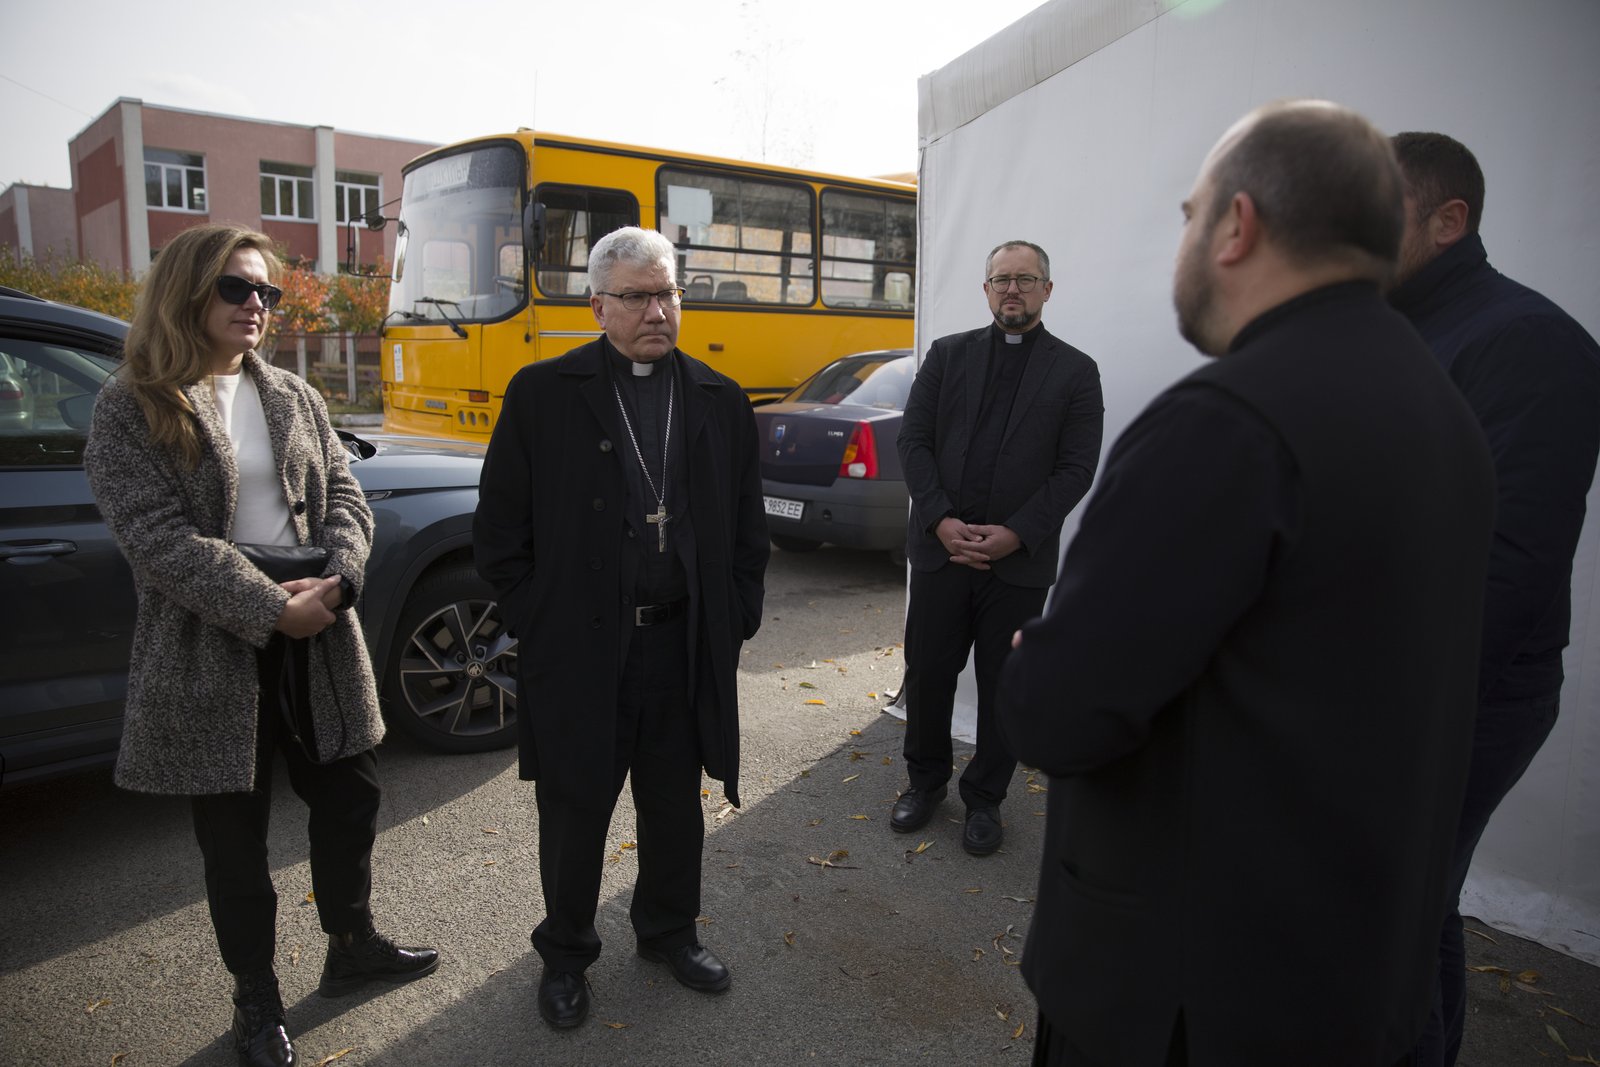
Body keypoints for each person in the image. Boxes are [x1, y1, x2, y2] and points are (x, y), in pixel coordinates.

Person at [996, 101, 1495, 1066]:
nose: (1182, 242)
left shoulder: (1227, 423)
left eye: (1189, 215)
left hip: (1185, 997)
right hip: (1340, 980)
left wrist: (1038, 659)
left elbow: (1059, 713)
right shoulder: (1438, 406)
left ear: (1237, 225)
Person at [83, 224, 437, 1067]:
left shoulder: (293, 393)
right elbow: (156, 538)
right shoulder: (133, 403)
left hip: (319, 635)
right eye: (236, 288)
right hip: (213, 644)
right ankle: (257, 997)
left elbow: (346, 493)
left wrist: (341, 578)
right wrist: (269, 607)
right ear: (188, 291)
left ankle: (350, 942)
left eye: (266, 292)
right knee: (234, 840)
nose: (256, 305)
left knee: (351, 798)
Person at [473, 226, 769, 1029]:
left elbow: (749, 530)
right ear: (597, 305)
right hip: (582, 650)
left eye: (667, 293)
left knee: (674, 802)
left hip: (681, 643)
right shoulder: (543, 394)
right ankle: (566, 954)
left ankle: (669, 931)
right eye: (636, 296)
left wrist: (737, 614)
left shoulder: (718, 398)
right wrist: (540, 619)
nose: (657, 311)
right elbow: (498, 532)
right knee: (575, 809)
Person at [1387, 132, 1600, 1067]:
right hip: (1386, 678)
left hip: (1457, 693)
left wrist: (1405, 712)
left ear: (1448, 220)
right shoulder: (1396, 329)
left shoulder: (1528, 340)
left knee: (1390, 917)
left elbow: (1512, 561)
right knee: (1407, 908)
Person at [892, 240, 1103, 856]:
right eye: (1001, 279)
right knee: (929, 674)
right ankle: (925, 784)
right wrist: (940, 520)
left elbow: (1075, 468)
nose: (1013, 289)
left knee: (1004, 684)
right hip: (943, 552)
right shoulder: (947, 354)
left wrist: (1016, 533)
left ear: (1047, 290)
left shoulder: (1075, 370)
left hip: (1018, 562)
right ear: (986, 289)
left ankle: (985, 798)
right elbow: (913, 441)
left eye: (1025, 279)